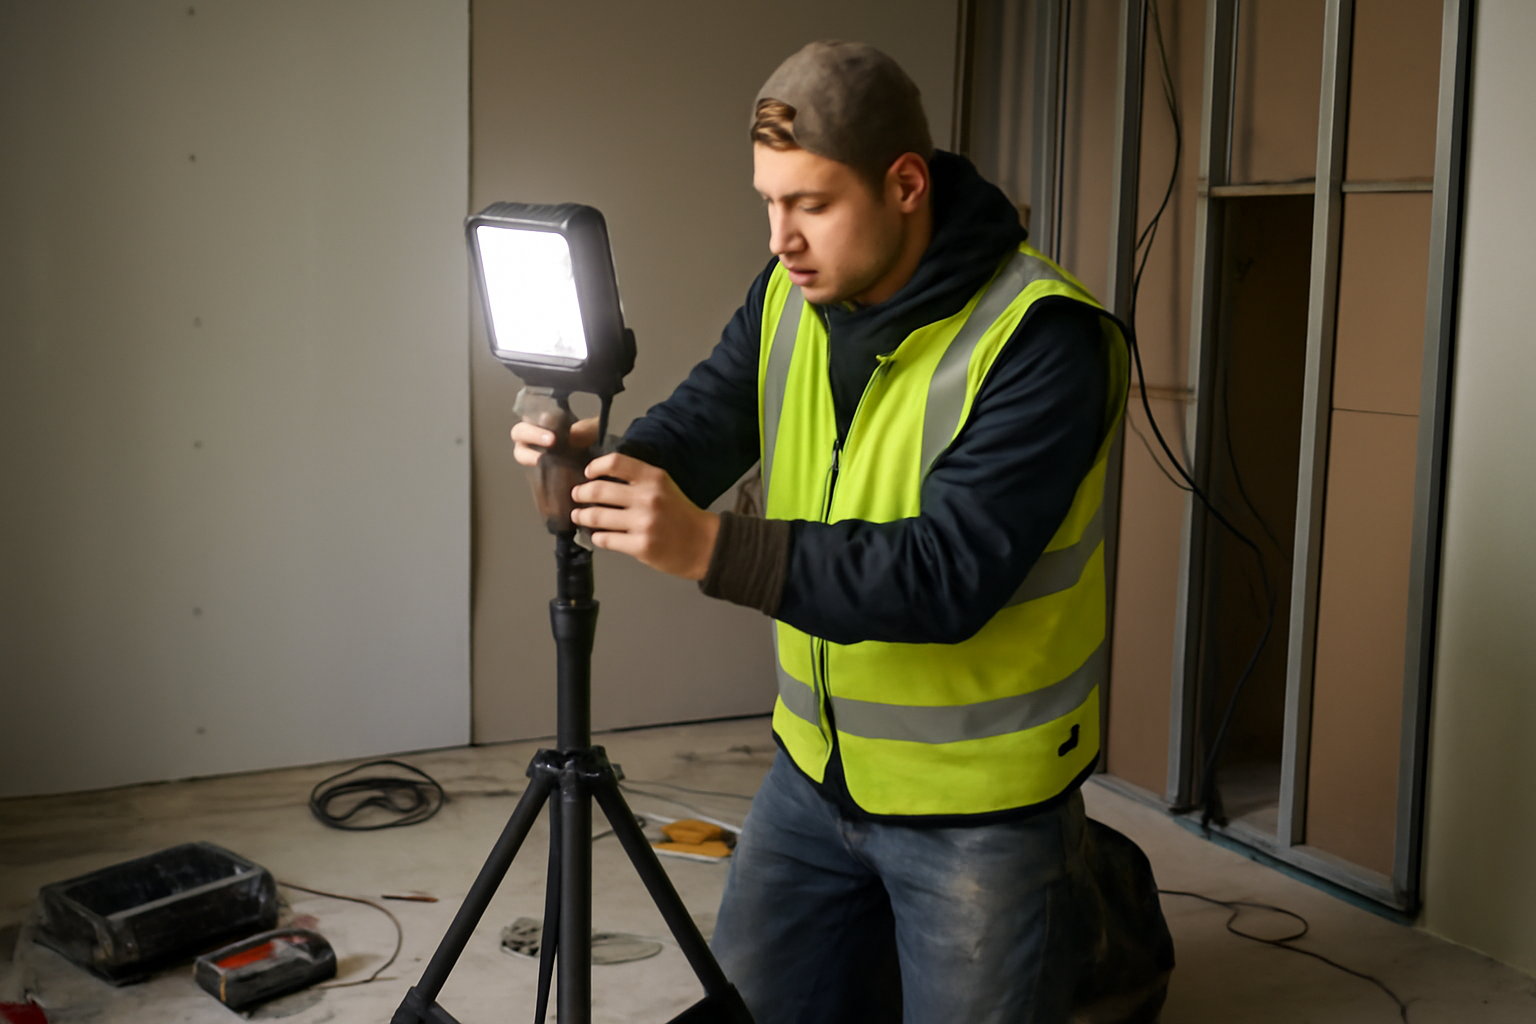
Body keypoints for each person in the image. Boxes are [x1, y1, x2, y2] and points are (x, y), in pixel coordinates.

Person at [513, 40, 1171, 1024]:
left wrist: (709, 548)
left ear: (905, 183)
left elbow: (945, 575)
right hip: (814, 779)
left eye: (811, 203)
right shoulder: (788, 297)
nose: (781, 236)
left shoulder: (1044, 339)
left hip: (981, 808)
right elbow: (696, 429)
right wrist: (585, 466)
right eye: (769, 202)